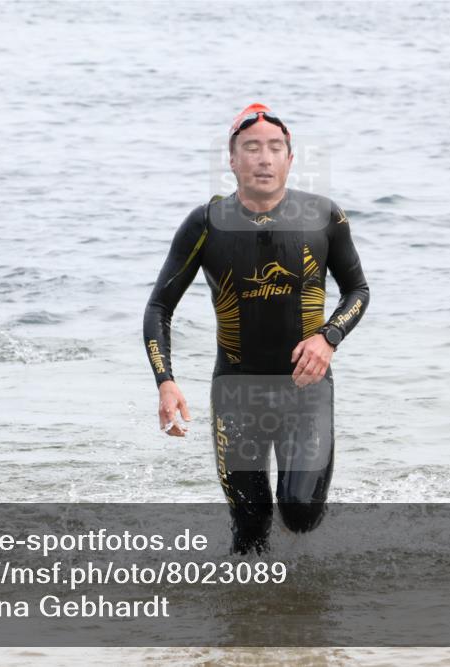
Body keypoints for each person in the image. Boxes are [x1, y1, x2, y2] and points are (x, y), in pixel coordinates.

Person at [143, 104, 370, 553]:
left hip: (306, 390)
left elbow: (358, 291)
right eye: (251, 148)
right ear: (232, 160)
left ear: (290, 158)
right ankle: (249, 616)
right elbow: (158, 307)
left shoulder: (324, 216)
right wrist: (166, 383)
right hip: (235, 392)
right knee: (250, 528)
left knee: (300, 514)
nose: (264, 158)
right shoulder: (204, 224)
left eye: (275, 148)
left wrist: (329, 337)